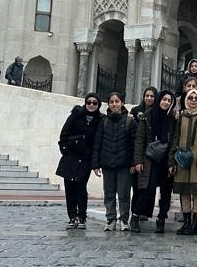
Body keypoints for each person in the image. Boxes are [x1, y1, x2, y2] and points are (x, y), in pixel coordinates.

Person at [169, 88, 197, 235]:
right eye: (190, 98)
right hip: (181, 159)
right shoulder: (181, 117)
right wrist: (172, 161)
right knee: (184, 191)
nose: (193, 101)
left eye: (196, 98)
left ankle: (195, 224)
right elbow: (175, 138)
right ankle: (186, 222)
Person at [56, 93, 102, 229]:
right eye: (89, 102)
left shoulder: (100, 120)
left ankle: (81, 216)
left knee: (81, 187)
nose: (91, 105)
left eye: (95, 103)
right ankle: (72, 216)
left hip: (86, 159)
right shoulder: (75, 116)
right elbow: (63, 136)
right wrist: (67, 150)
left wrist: (95, 162)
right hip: (71, 157)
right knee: (69, 188)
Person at [92, 92, 136, 231]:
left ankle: (124, 219)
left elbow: (135, 144)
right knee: (109, 193)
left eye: (117, 101)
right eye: (112, 102)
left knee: (124, 194)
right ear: (109, 104)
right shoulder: (103, 121)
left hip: (124, 164)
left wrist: (134, 163)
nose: (114, 104)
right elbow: (97, 143)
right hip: (107, 163)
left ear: (122, 103)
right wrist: (95, 164)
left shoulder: (130, 121)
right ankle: (110, 219)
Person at [132, 90, 173, 233]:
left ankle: (161, 218)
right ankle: (135, 216)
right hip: (150, 160)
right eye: (164, 99)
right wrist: (138, 160)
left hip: (166, 160)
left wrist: (172, 162)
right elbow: (139, 139)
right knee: (147, 189)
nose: (166, 102)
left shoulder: (172, 118)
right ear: (159, 100)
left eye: (169, 100)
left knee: (166, 192)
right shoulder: (147, 117)